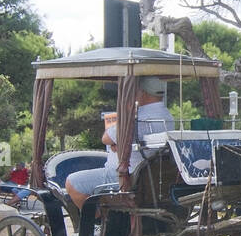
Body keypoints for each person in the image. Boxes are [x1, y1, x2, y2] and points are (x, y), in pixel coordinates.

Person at [65, 77, 174, 206]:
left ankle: (97, 224)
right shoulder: (167, 117)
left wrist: (117, 142)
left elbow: (106, 138)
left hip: (128, 176)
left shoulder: (138, 117)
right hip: (151, 176)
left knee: (72, 182)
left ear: (142, 92)